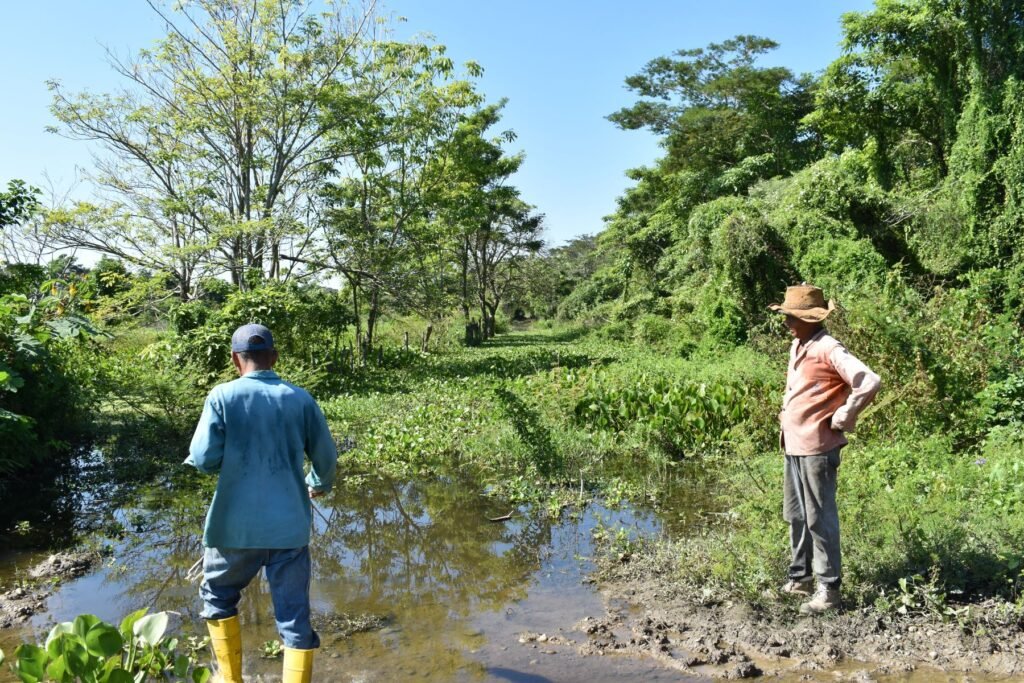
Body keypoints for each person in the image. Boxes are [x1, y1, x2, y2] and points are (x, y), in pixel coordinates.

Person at [186, 323, 337, 682]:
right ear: (274, 357)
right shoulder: (300, 398)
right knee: (294, 616)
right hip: (288, 529)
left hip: (233, 528)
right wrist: (318, 483)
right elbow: (326, 457)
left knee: (219, 598)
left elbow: (203, 459)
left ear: (236, 360)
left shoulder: (221, 396)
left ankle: (231, 679)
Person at [769, 285, 880, 614]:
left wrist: (845, 414)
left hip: (817, 446)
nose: (787, 321)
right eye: (786, 316)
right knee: (797, 516)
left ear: (809, 319)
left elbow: (868, 380)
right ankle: (800, 578)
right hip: (794, 444)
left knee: (819, 517)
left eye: (792, 317)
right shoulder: (798, 345)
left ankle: (828, 590)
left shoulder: (828, 347)